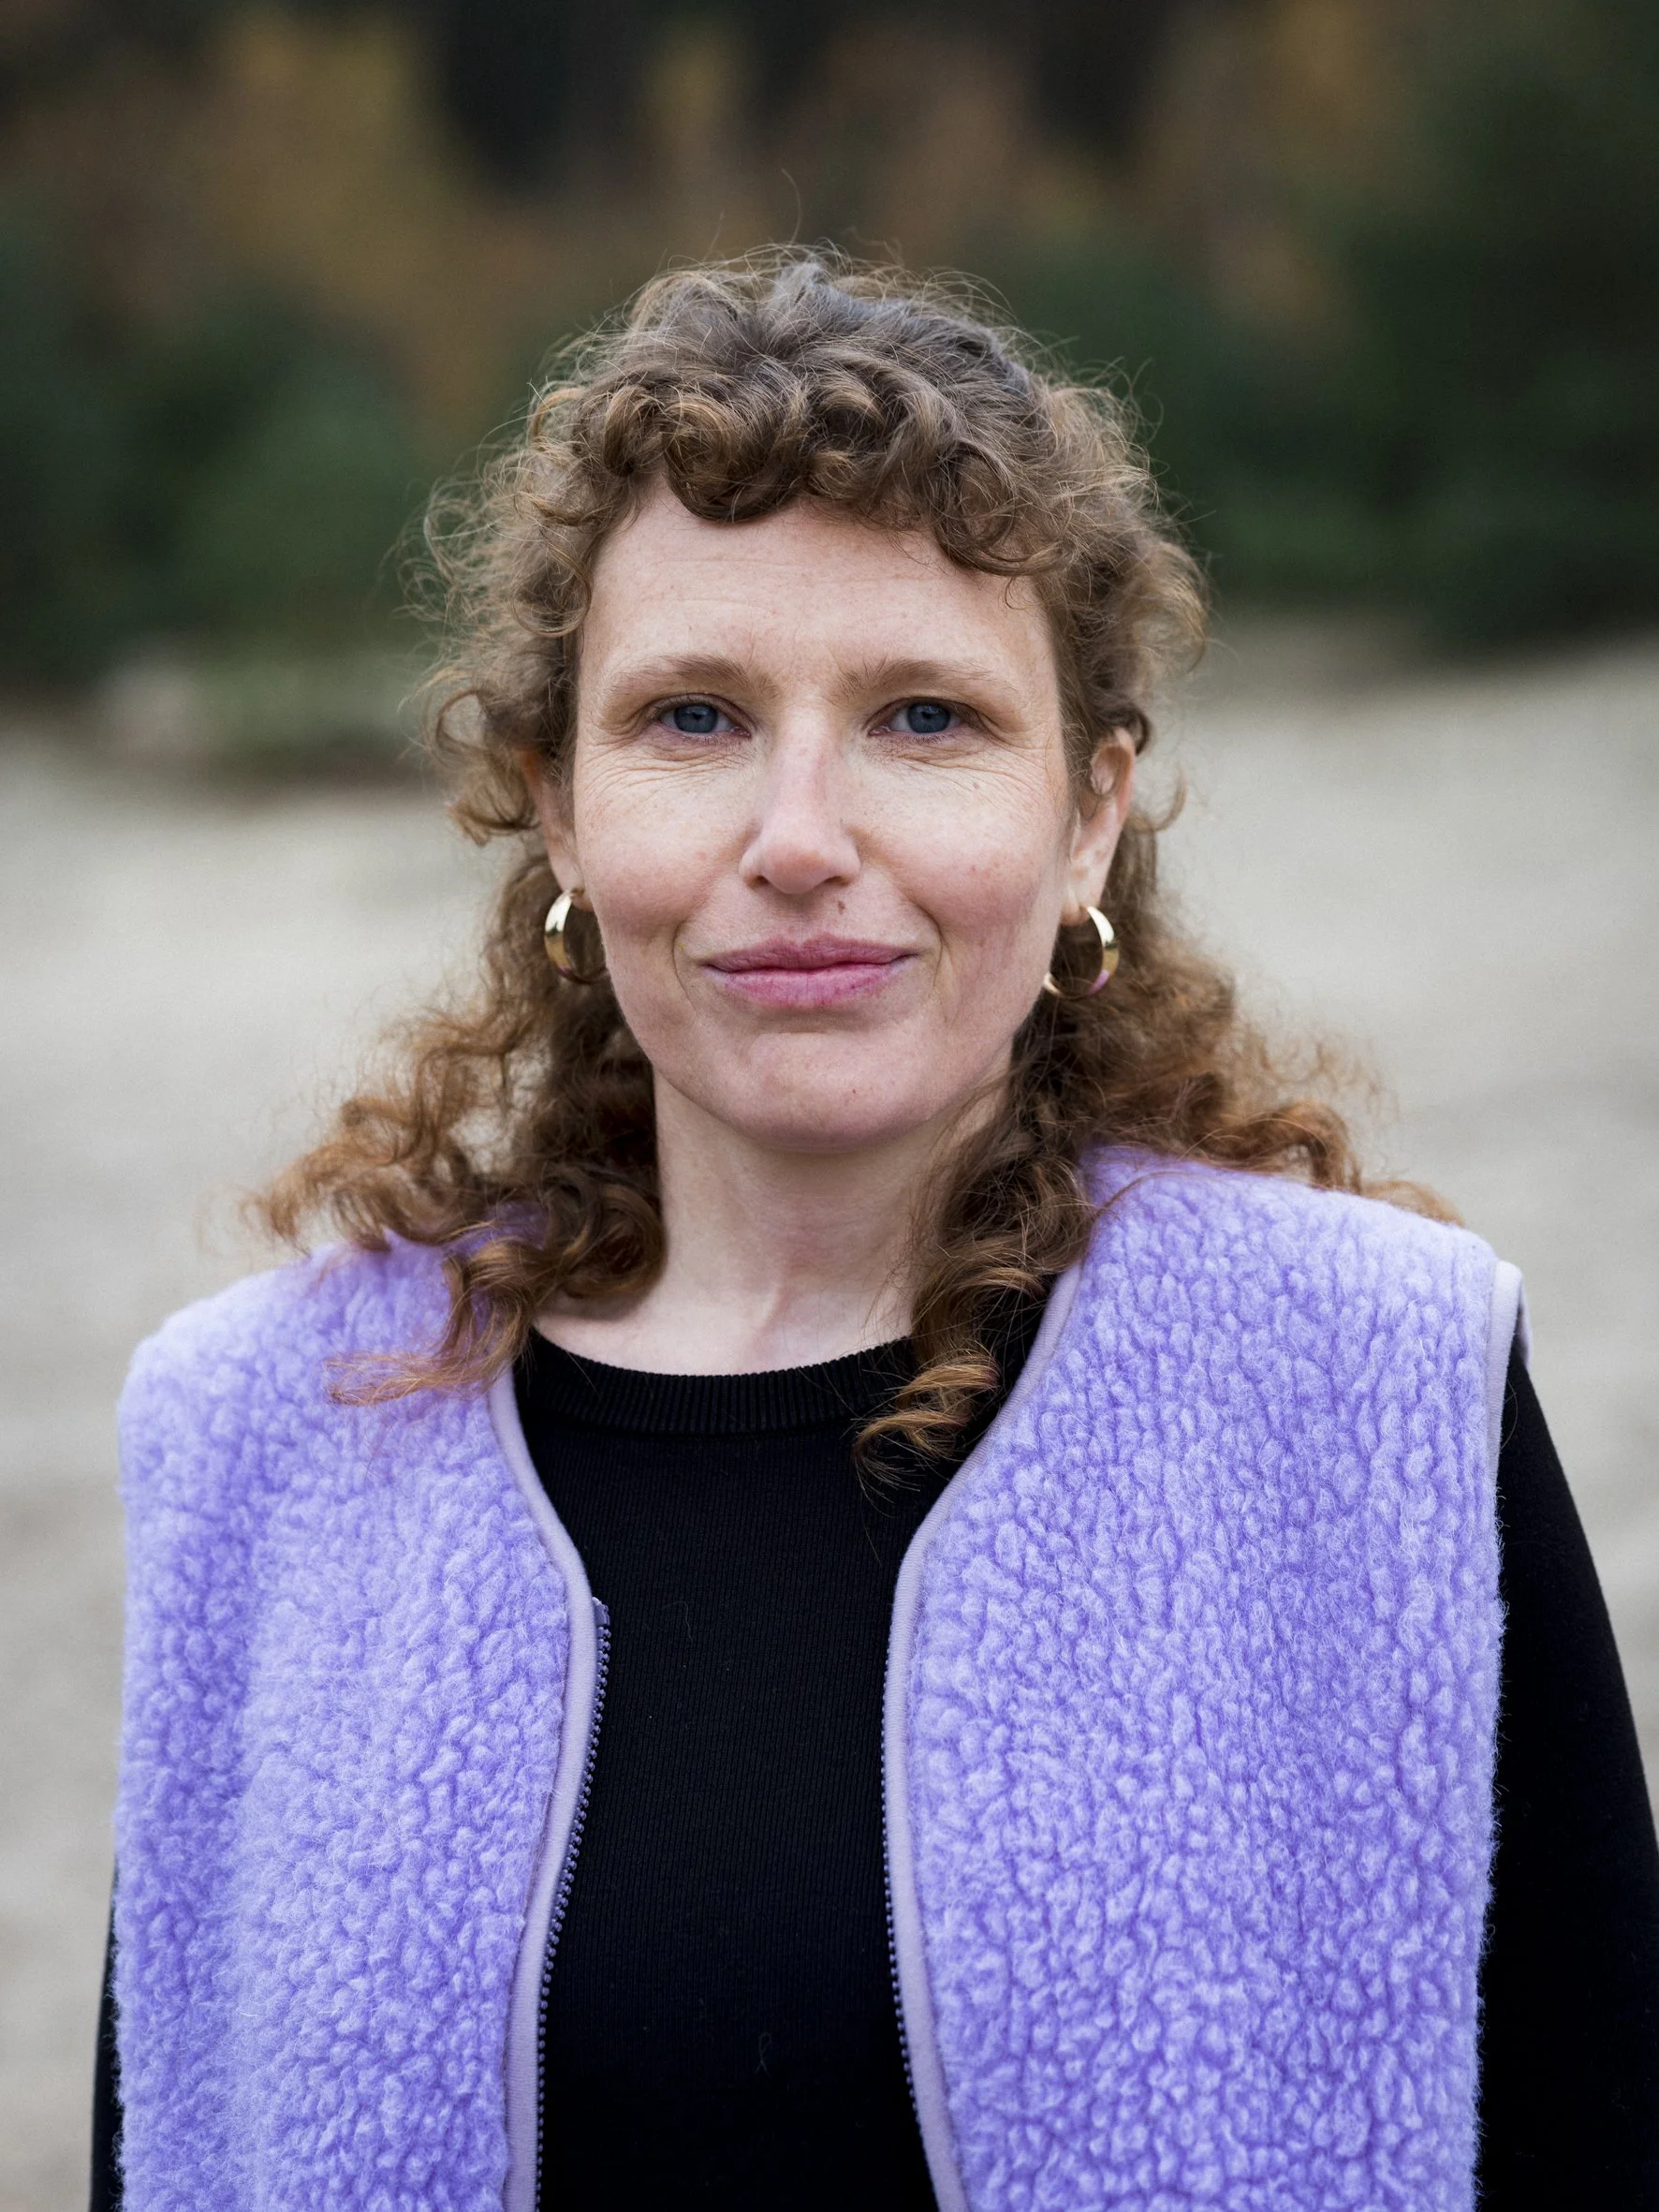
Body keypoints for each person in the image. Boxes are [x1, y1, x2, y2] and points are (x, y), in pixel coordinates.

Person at [97, 255, 1658, 2212]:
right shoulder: (264, 1433)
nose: (802, 833)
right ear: (557, 811)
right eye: (694, 717)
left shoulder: (1372, 1389)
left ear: (1088, 816)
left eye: (923, 714)